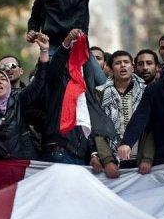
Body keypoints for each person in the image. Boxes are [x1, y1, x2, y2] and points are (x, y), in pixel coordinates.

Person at [44, 29, 119, 178]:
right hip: (60, 152)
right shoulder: (57, 83)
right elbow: (55, 68)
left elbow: (87, 125)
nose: (75, 61)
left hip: (81, 156)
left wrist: (93, 153)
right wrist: (66, 43)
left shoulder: (85, 92)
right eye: (71, 56)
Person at [96, 50, 146, 158]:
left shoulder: (146, 91)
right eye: (118, 63)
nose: (123, 65)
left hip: (140, 158)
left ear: (133, 67)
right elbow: (98, 129)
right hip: (111, 158)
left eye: (126, 62)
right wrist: (107, 159)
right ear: (111, 69)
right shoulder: (100, 93)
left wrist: (147, 158)